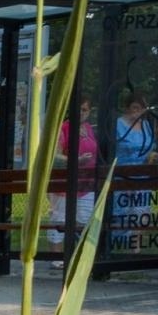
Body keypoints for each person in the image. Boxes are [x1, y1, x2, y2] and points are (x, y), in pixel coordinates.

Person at [48, 95, 98, 269]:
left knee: (85, 220)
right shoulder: (63, 128)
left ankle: (81, 258)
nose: (82, 113)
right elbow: (55, 156)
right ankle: (56, 257)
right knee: (60, 219)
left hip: (86, 183)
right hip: (65, 184)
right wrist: (75, 160)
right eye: (79, 109)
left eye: (85, 110)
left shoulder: (89, 129)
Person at [112, 92, 158, 251]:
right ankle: (116, 247)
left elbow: (152, 145)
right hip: (123, 174)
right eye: (135, 107)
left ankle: (135, 248)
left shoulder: (145, 125)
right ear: (127, 107)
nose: (138, 111)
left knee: (140, 212)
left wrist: (152, 156)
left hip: (142, 174)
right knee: (122, 212)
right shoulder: (118, 124)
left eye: (142, 108)